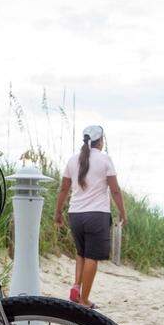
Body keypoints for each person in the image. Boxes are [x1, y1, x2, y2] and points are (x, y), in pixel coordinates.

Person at [54, 125, 127, 309]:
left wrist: (58, 212)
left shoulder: (72, 160)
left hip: (75, 215)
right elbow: (115, 190)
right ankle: (84, 300)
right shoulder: (104, 160)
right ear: (100, 140)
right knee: (92, 257)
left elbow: (63, 188)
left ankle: (76, 287)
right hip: (97, 215)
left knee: (81, 253)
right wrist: (122, 212)